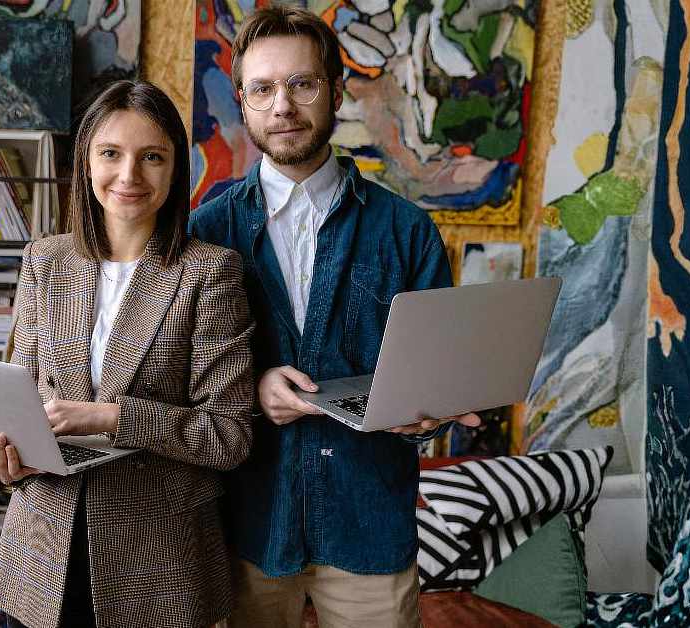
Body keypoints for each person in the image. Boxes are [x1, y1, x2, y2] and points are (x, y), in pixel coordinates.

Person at [189, 7, 482, 628]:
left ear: (337, 90)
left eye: (302, 84)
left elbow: (434, 379)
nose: (283, 106)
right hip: (246, 525)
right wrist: (251, 387)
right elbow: (181, 378)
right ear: (241, 100)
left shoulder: (408, 230)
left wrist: (429, 411)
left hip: (369, 525)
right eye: (263, 89)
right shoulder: (205, 231)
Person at [0, 80, 255, 628]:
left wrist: (113, 417)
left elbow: (229, 435)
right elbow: (18, 397)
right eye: (111, 154)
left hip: (160, 561)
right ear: (87, 161)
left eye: (152, 157)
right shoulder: (44, 261)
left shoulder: (209, 273)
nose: (129, 176)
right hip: (43, 553)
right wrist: (6, 455)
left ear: (175, 169)